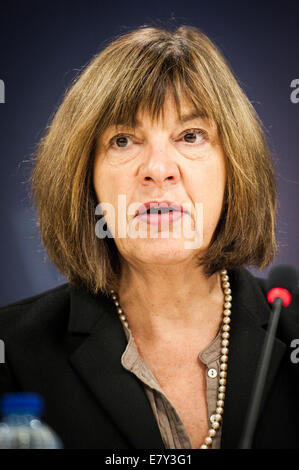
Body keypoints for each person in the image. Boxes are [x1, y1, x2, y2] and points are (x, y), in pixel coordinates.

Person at [0, 25, 298, 450]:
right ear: (86, 182)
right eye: (123, 140)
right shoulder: (11, 353)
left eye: (190, 136)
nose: (158, 168)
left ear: (236, 167)